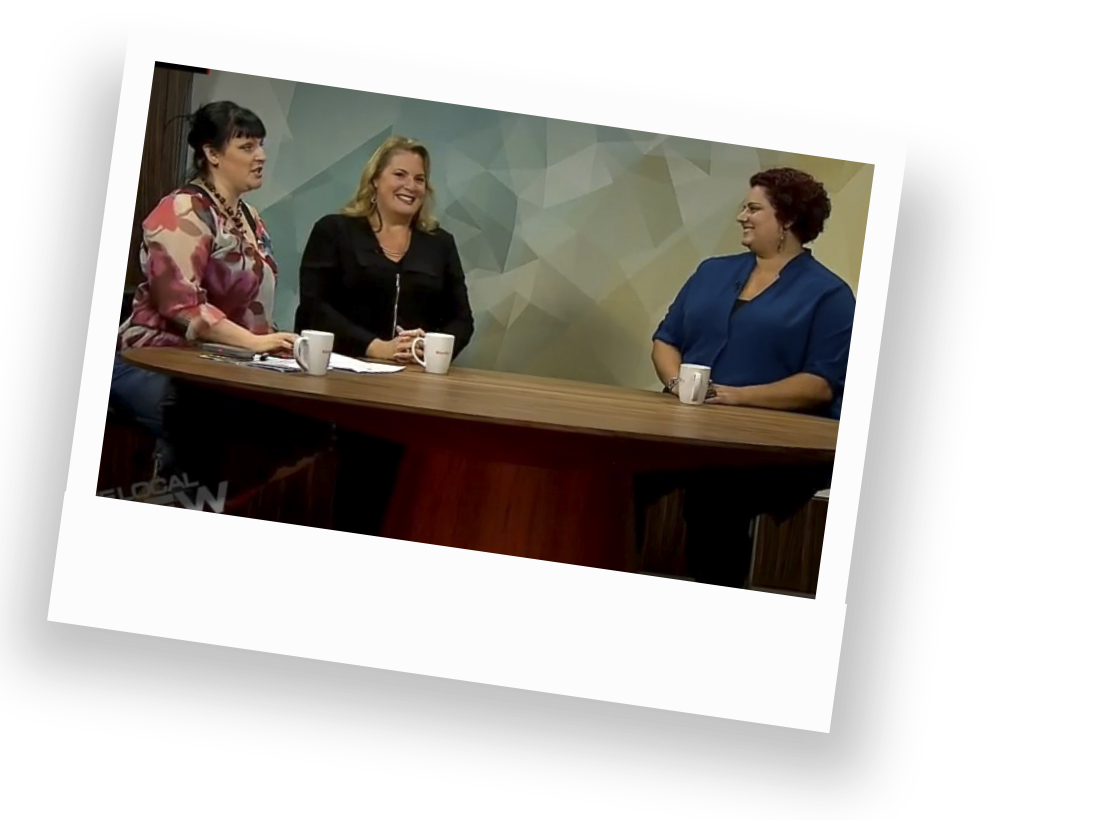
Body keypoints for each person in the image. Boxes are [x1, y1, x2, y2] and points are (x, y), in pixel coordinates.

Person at [643, 167, 856, 587]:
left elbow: (820, 384)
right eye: (745, 207)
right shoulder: (711, 272)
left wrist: (738, 397)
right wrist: (677, 386)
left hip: (777, 447)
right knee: (621, 476)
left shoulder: (830, 295)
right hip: (692, 431)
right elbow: (665, 341)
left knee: (715, 498)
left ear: (788, 220)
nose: (742, 215)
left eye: (754, 208)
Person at [111, 101, 309, 489]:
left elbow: (252, 311)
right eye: (247, 147)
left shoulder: (251, 218)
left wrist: (276, 345)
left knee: (296, 417)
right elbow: (182, 305)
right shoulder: (182, 209)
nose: (261, 156)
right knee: (218, 424)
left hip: (220, 362)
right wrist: (254, 342)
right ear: (212, 154)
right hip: (155, 360)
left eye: (261, 145)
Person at [294, 136, 474, 535]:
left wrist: (429, 347)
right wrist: (372, 347)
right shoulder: (335, 230)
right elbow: (313, 306)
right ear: (374, 180)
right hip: (343, 382)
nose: (411, 185)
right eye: (400, 174)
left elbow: (463, 320)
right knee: (359, 477)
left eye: (420, 178)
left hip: (413, 391)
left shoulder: (439, 244)